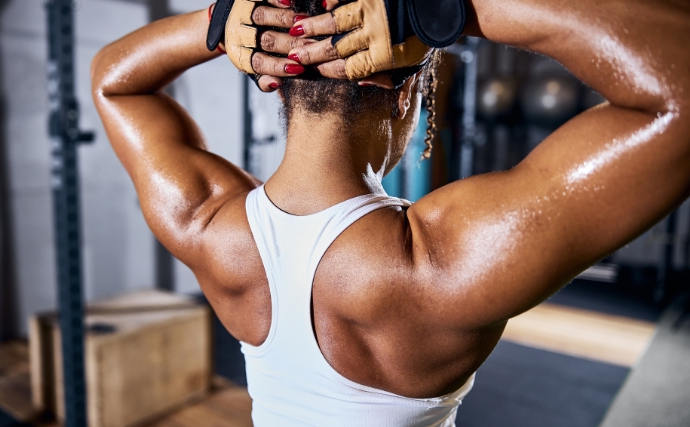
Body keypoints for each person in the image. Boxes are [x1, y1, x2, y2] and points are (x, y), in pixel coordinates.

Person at [90, 0, 690, 425]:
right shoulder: (443, 262)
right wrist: (448, 10)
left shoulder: (208, 224)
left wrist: (217, 23)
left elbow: (114, 82)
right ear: (407, 94)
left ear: (273, 80)